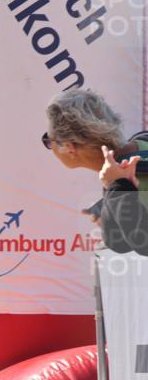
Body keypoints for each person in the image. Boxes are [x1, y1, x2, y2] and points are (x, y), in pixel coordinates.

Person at [44, 89, 148, 256]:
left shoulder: (131, 174)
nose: (50, 145)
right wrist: (113, 202)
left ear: (69, 147)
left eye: (48, 140)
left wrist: (119, 191)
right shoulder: (141, 143)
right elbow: (119, 243)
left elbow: (142, 243)